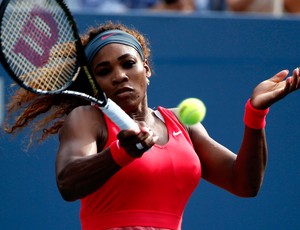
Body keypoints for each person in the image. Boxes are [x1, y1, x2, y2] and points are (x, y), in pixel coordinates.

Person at [4, 21, 300, 229]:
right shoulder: (87, 118)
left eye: (128, 63)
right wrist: (121, 153)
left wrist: (255, 114)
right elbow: (68, 184)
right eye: (105, 71)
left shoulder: (181, 122)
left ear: (145, 69)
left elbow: (244, 183)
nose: (119, 75)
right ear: (96, 84)